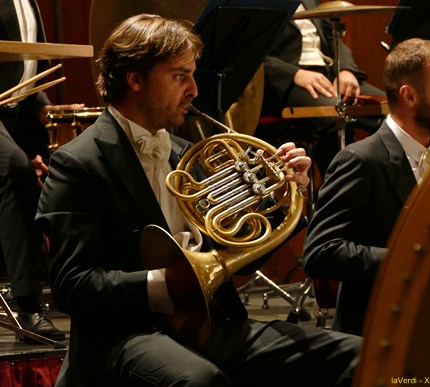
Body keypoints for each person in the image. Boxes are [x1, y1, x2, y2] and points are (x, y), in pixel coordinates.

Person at [36, 14, 360, 386]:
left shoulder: (186, 154)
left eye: (192, 75)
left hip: (212, 328)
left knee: (356, 355)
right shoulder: (78, 162)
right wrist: (169, 283)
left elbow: (235, 260)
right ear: (135, 79)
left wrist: (285, 199)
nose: (193, 89)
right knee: (201, 382)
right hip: (124, 335)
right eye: (179, 76)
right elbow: (72, 285)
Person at [303, 37, 430, 336]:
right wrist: (413, 258)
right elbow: (321, 252)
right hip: (386, 329)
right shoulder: (361, 160)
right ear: (410, 96)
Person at [0, 0, 81, 342]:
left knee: (73, 159)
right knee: (15, 169)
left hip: (12, 114)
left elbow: (25, 73)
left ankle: (76, 285)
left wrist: (48, 111)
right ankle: (29, 305)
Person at [260, 0, 385, 179]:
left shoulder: (311, 0)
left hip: (328, 74)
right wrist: (295, 74)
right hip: (286, 80)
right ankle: (338, 192)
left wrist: (346, 70)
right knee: (333, 114)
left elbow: (333, 36)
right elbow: (249, 52)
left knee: (393, 109)